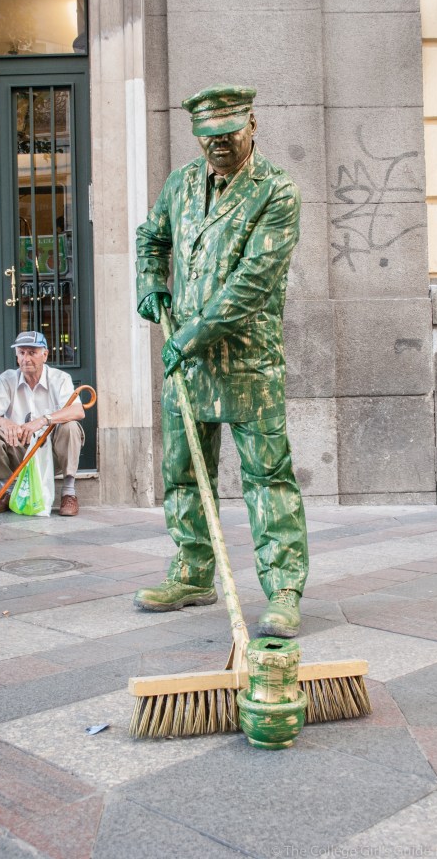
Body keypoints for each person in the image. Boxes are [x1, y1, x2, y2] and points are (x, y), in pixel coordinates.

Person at [134, 83, 309, 638]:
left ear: (252, 125)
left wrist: (191, 335)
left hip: (248, 363)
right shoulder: (181, 183)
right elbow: (151, 238)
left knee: (268, 476)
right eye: (207, 138)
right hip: (186, 363)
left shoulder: (277, 192)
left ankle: (282, 587)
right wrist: (149, 284)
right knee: (183, 471)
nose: (218, 147)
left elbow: (252, 283)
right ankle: (191, 571)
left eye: (228, 135)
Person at [0, 330, 85, 516]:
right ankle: (8, 490)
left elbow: (78, 411)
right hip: (20, 450)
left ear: (45, 354)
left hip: (52, 452)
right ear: (17, 356)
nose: (26, 359)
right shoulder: (6, 379)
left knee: (70, 426)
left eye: (32, 352)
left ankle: (69, 492)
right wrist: (3, 422)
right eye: (21, 353)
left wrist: (43, 420)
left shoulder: (60, 378)